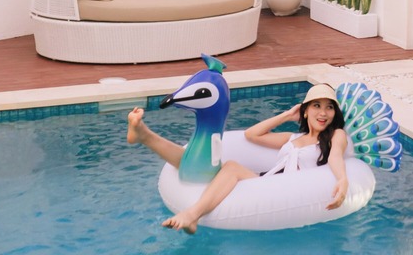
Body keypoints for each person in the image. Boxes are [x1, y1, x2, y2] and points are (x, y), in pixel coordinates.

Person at [126, 82, 350, 234]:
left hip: (284, 188)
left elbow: (335, 158)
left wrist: (342, 180)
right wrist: (286, 115)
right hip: (267, 180)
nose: (323, 113)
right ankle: (145, 135)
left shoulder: (335, 136)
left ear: (335, 113)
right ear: (306, 110)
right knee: (205, 165)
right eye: (316, 106)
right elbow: (251, 134)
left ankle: (192, 214)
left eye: (329, 107)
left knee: (231, 167)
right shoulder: (292, 137)